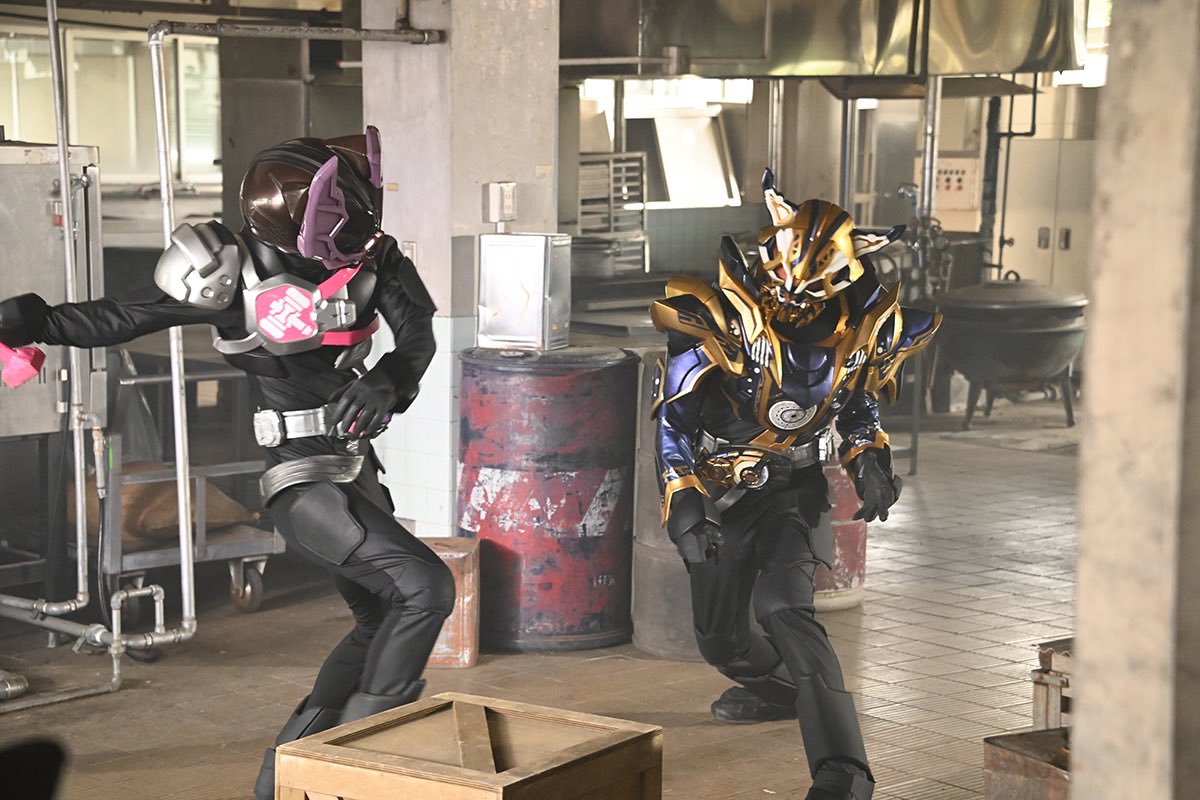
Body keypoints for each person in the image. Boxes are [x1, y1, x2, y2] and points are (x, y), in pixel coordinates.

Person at [0, 128, 455, 800]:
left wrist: (388, 380)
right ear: (298, 212)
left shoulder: (374, 258)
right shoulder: (231, 268)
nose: (359, 223)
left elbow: (417, 335)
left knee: (377, 617)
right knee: (425, 589)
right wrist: (36, 320)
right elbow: (129, 315)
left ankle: (283, 780)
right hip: (302, 482)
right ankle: (362, 762)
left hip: (356, 467)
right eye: (343, 209)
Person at [650, 171, 940, 800]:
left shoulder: (860, 329)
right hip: (721, 491)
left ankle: (844, 773)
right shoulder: (719, 315)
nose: (795, 301)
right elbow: (675, 417)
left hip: (792, 489)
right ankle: (782, 692)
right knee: (723, 642)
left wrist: (869, 454)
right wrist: (683, 494)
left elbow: (857, 400)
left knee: (784, 608)